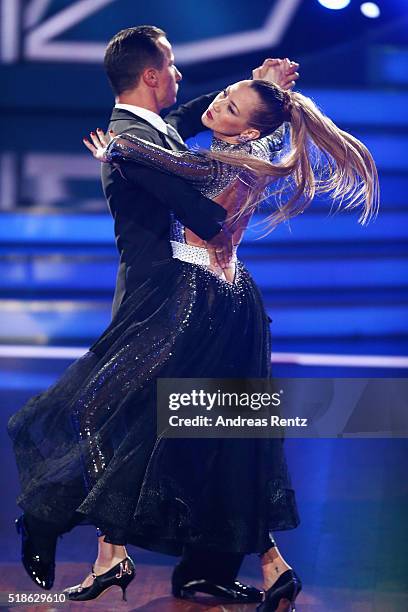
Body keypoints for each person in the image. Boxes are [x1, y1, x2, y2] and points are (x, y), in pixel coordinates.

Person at [7, 25, 301, 608]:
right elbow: (202, 197)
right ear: (150, 75)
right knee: (120, 420)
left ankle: (198, 567)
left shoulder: (155, 129)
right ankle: (53, 522)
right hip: (162, 301)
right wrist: (255, 121)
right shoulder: (128, 140)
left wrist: (258, 97)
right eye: (171, 67)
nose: (183, 80)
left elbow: (200, 129)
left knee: (210, 428)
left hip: (207, 299)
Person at [80, 76, 379, 611]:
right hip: (232, 300)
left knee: (142, 420)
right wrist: (262, 83)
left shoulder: (225, 161)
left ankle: (113, 554)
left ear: (249, 131)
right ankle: (268, 567)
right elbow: (201, 136)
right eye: (223, 94)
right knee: (217, 438)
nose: (216, 105)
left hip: (203, 305)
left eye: (231, 106)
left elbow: (177, 164)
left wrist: (116, 147)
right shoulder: (258, 146)